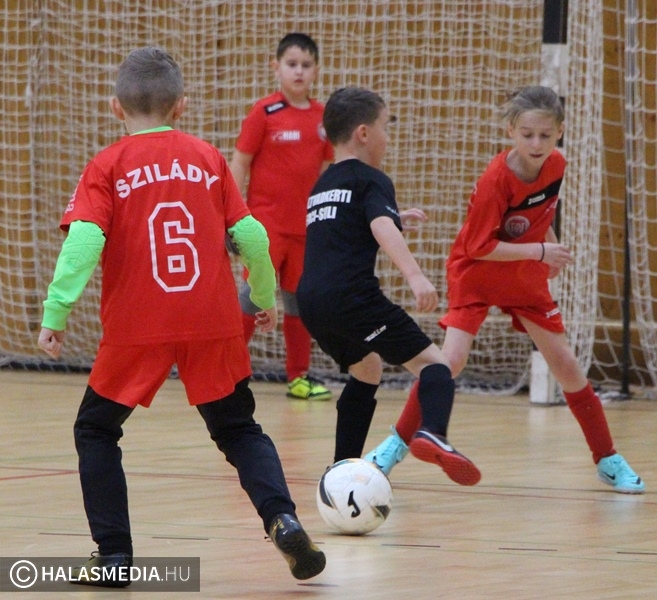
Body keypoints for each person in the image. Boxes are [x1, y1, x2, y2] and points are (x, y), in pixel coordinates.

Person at [37, 47, 326, 588]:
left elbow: (84, 241)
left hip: (138, 324)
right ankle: (282, 519)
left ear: (116, 108)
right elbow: (252, 235)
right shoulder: (208, 158)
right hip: (212, 319)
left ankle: (114, 557)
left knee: (95, 430)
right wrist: (263, 295)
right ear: (181, 106)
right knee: (238, 429)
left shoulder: (107, 165)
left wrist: (56, 312)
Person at [364, 85, 645, 494]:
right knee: (449, 362)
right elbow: (479, 247)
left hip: (523, 275)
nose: (536, 144)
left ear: (560, 132)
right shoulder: (495, 179)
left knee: (566, 365)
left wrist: (547, 246)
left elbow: (539, 213)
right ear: (511, 130)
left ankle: (607, 458)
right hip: (477, 272)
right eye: (527, 134)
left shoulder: (557, 164)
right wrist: (541, 250)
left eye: (546, 135)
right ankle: (393, 447)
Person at [296, 86, 481, 486]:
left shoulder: (322, 185)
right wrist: (416, 276)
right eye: (386, 126)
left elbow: (347, 226)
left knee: (367, 368)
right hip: (353, 298)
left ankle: (341, 470)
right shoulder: (372, 179)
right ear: (364, 133)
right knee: (435, 366)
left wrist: (394, 216)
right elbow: (379, 225)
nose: (388, 136)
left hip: (310, 302)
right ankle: (432, 432)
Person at [230, 32, 334, 401]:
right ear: (276, 67)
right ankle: (228, 369)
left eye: (306, 65)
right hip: (265, 227)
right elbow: (239, 163)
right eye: (292, 64)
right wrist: (233, 216)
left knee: (298, 302)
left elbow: (327, 171)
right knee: (252, 295)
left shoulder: (323, 117)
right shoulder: (264, 112)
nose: (299, 71)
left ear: (316, 70)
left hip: (305, 229)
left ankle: (298, 377)